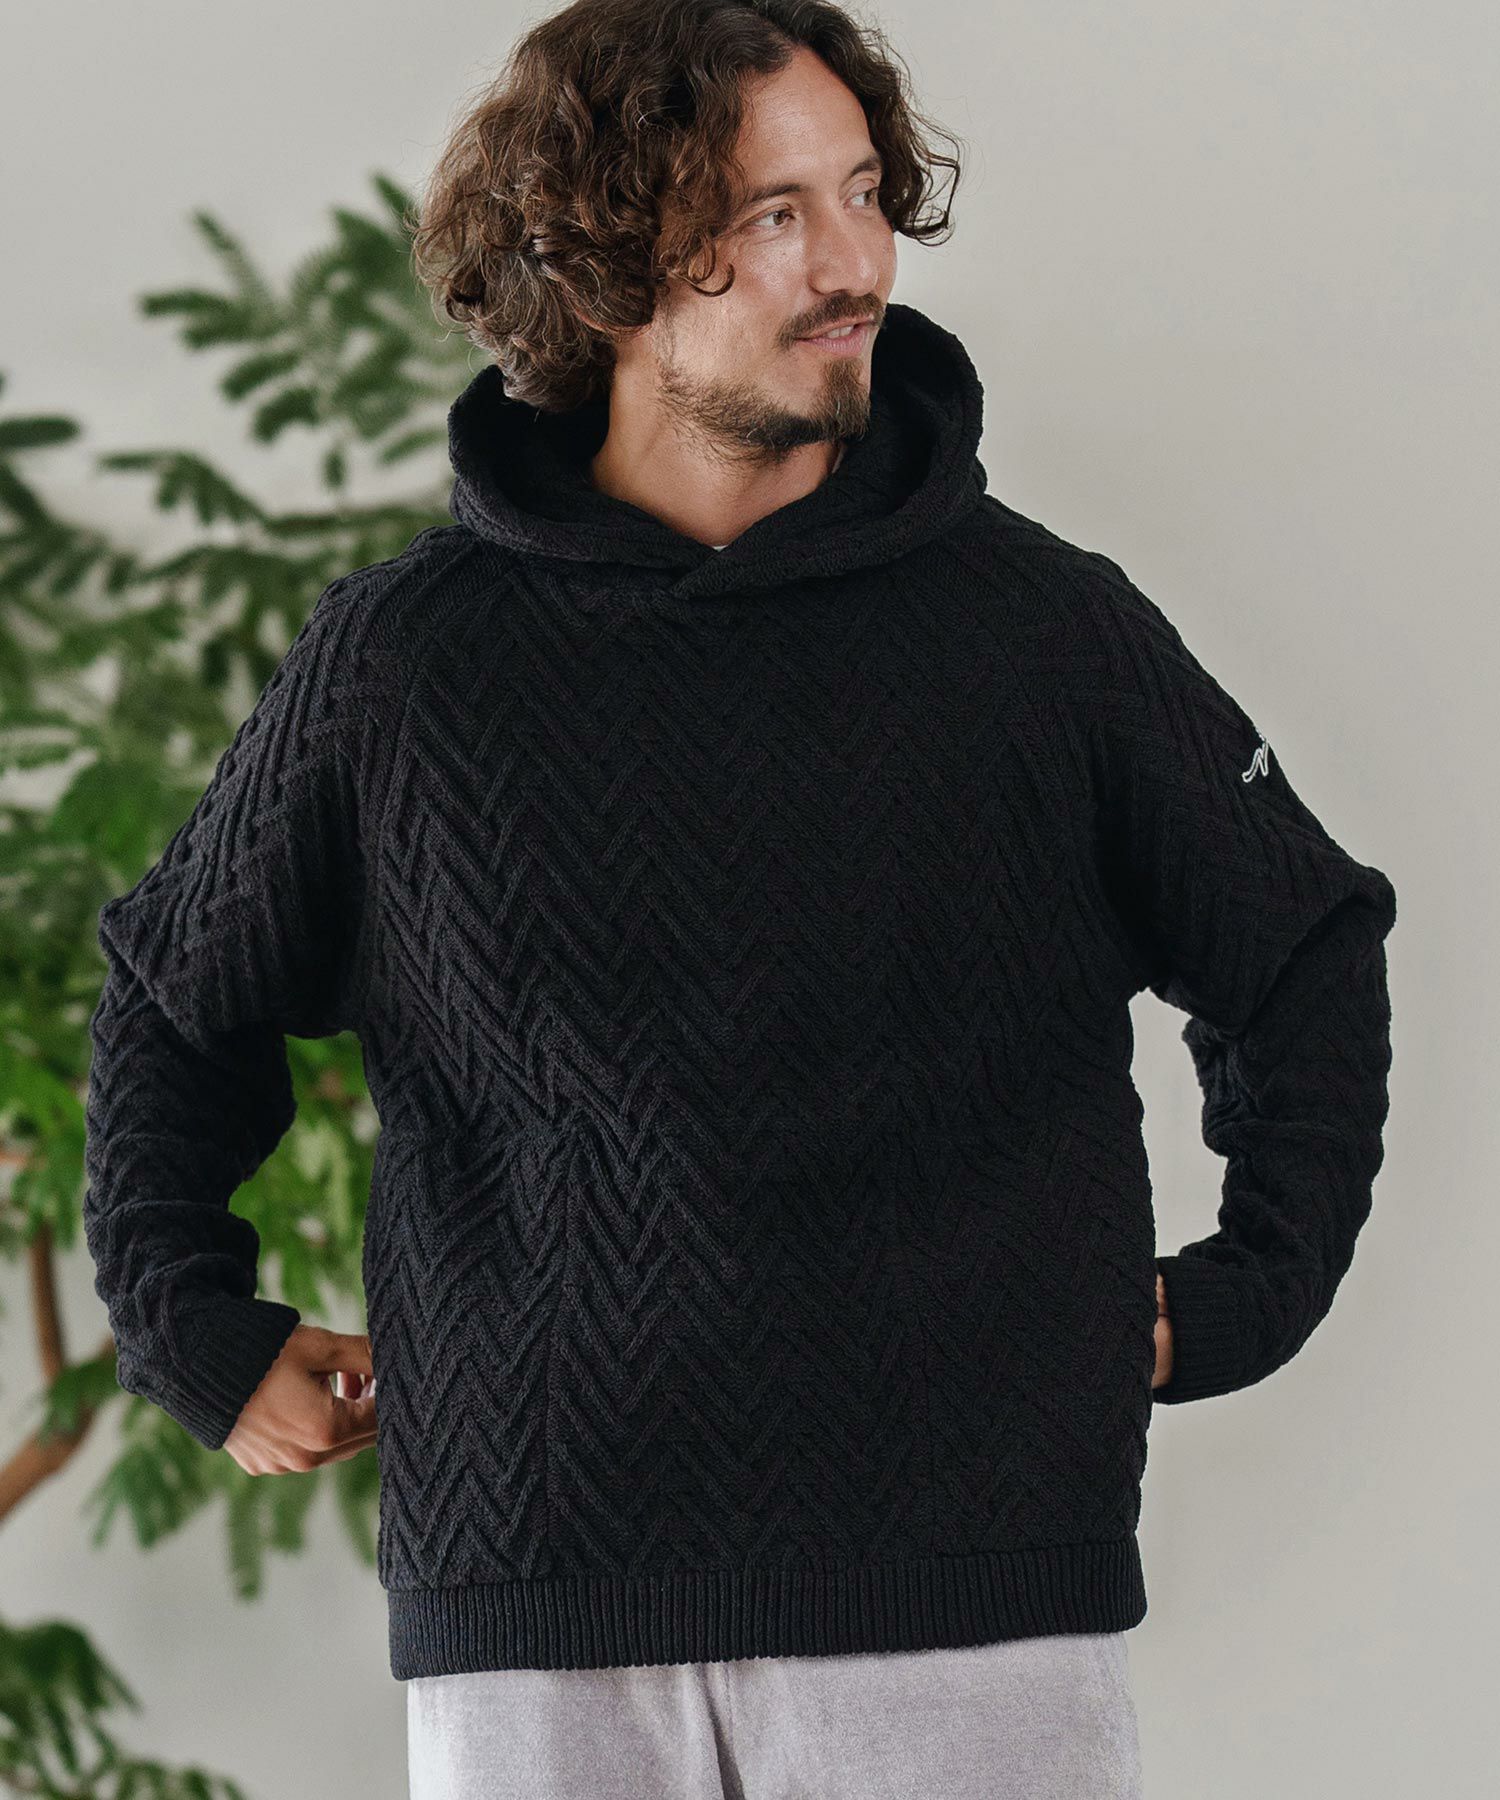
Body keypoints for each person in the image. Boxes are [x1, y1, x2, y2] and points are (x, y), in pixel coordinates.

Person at [80, 2, 1397, 1796]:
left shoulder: (1040, 632)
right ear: (602, 266)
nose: (857, 263)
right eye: (776, 214)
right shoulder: (404, 667)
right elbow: (177, 998)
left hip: (970, 1590)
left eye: (862, 194)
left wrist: (1253, 1287)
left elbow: (1300, 944)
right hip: (535, 1599)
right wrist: (193, 1328)